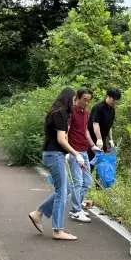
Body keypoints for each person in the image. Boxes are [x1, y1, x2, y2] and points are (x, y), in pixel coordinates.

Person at [28, 88, 84, 241]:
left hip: (55, 154)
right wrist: (76, 154)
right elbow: (61, 139)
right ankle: (58, 230)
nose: (74, 103)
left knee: (65, 189)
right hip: (54, 155)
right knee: (61, 192)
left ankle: (38, 213)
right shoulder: (60, 114)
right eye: (73, 100)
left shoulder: (56, 112)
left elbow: (59, 138)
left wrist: (66, 153)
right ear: (68, 99)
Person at [67, 87, 101, 223]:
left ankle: (76, 207)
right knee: (78, 182)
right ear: (77, 98)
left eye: (89, 100)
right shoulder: (71, 112)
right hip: (75, 152)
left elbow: (85, 131)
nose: (86, 102)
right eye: (84, 100)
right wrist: (68, 153)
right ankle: (76, 210)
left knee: (87, 182)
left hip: (85, 151)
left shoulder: (85, 112)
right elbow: (65, 132)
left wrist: (93, 145)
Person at [87, 88, 121, 187]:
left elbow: (109, 126)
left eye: (116, 100)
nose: (114, 101)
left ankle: (100, 185)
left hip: (103, 140)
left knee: (102, 163)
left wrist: (110, 139)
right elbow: (95, 124)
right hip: (92, 139)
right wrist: (99, 139)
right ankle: (85, 183)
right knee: (90, 162)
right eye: (113, 99)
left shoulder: (112, 110)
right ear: (108, 96)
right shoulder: (99, 107)